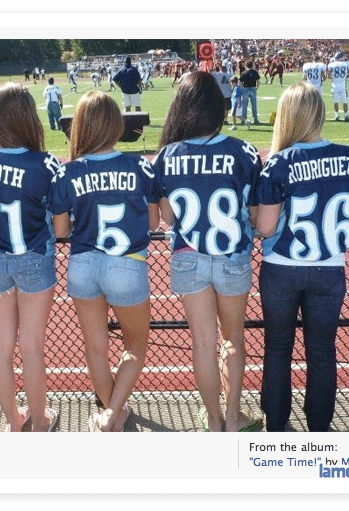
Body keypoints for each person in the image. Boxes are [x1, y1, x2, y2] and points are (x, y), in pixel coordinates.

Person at [254, 81, 349, 432]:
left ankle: (275, 425)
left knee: (278, 348)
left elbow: (265, 227)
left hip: (282, 268)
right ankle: (320, 428)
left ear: (287, 117)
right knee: (322, 351)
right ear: (320, 114)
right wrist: (336, 231)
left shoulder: (279, 162)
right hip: (328, 268)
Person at [152, 72, 263, 432]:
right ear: (218, 107)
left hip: (188, 255)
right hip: (232, 256)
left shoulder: (167, 156)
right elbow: (255, 213)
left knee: (202, 344)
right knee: (232, 340)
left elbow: (167, 218)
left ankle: (213, 421)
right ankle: (232, 418)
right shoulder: (244, 151)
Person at [48, 91, 160, 432]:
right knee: (135, 346)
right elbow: (154, 222)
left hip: (83, 264)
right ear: (116, 125)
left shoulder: (66, 173)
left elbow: (61, 231)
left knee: (95, 348)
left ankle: (111, 413)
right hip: (127, 263)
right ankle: (112, 415)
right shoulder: (140, 165)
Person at [0, 82, 61, 432]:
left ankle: (14, 421)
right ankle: (39, 423)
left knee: (1, 349)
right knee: (32, 348)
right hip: (33, 255)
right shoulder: (45, 164)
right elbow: (59, 223)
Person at [327, 51, 349, 121]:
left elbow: (328, 76)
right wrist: (343, 77)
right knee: (344, 101)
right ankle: (346, 115)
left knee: (335, 101)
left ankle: (337, 116)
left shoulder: (331, 64)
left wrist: (334, 77)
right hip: (342, 85)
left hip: (335, 85)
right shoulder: (346, 64)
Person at [239, 60, 260, 125]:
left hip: (246, 89)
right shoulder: (255, 72)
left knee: (244, 105)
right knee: (254, 105)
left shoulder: (244, 73)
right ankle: (255, 119)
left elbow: (240, 83)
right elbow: (258, 82)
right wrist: (256, 88)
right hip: (253, 88)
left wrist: (241, 89)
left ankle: (244, 119)